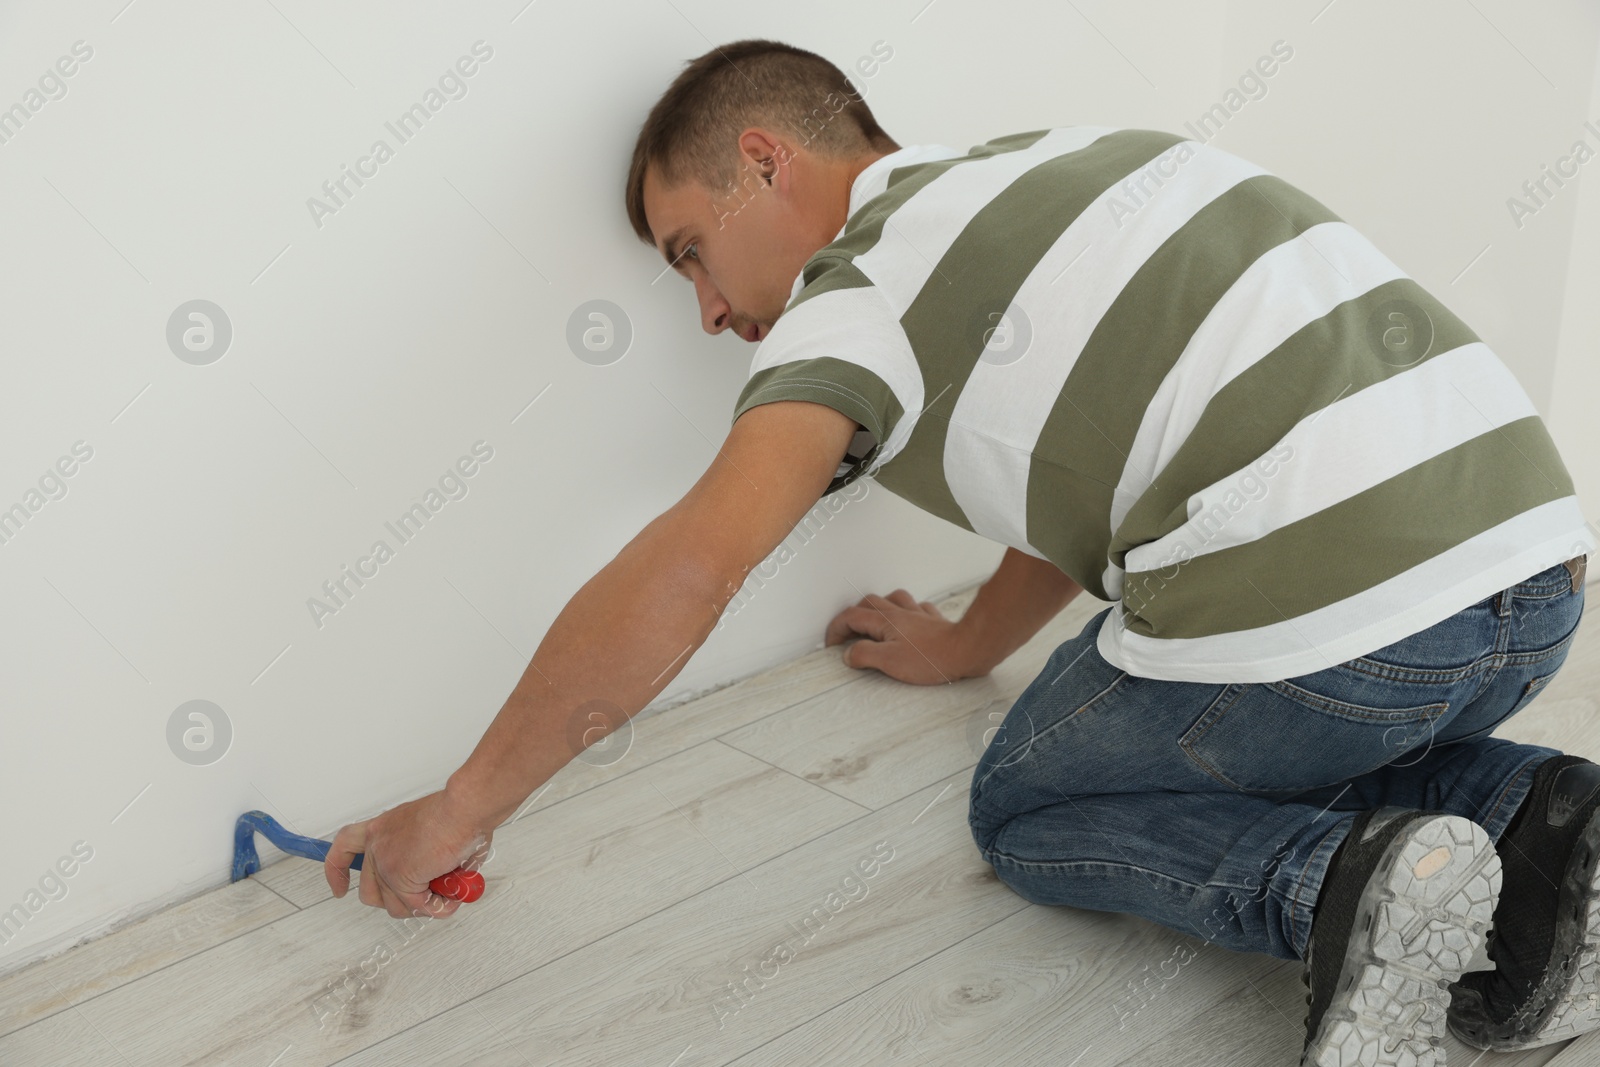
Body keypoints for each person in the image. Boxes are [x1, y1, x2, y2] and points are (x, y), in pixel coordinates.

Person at [324, 37, 1598, 1065]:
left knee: (1030, 799)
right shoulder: (1076, 157)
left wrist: (459, 806)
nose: (712, 313)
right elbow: (1093, 474)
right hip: (1534, 580)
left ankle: (1336, 888)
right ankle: (1536, 811)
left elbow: (692, 565)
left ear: (761, 164)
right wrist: (970, 643)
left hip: (1351, 629)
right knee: (1300, 685)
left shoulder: (857, 294)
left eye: (691, 256)